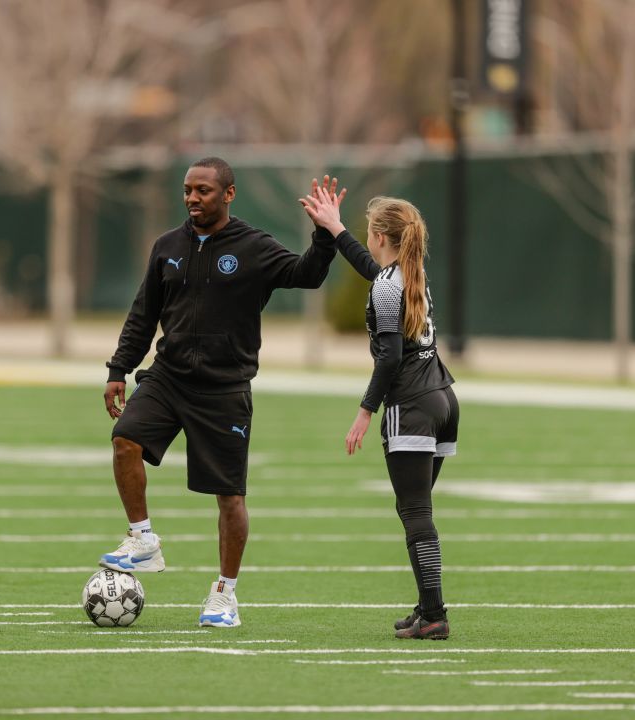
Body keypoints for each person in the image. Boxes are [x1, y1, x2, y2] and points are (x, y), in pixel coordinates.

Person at [101, 157, 337, 628]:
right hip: (167, 377)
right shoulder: (167, 246)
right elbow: (143, 314)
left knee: (229, 498)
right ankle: (143, 539)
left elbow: (306, 275)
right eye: (188, 189)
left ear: (228, 194)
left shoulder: (254, 247)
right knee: (126, 438)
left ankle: (224, 595)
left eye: (203, 190)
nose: (192, 198)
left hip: (224, 389)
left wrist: (325, 234)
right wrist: (119, 369)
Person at [298, 177, 459, 640]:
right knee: (416, 508)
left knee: (414, 511)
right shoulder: (409, 275)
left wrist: (365, 411)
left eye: (368, 229)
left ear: (381, 236)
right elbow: (374, 269)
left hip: (410, 404)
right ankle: (427, 605)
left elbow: (388, 358)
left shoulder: (388, 285)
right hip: (443, 398)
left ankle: (434, 614)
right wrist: (333, 228)